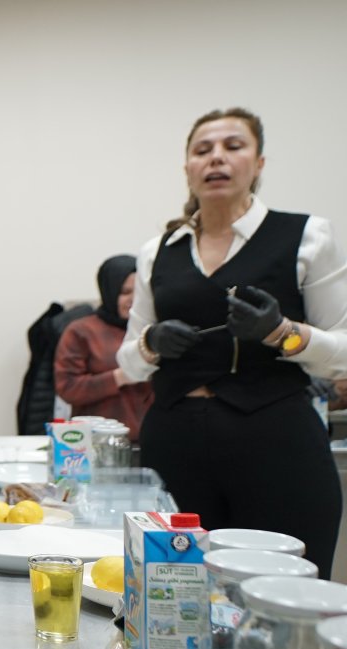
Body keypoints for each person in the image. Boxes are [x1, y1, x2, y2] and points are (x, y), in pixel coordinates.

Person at [116, 107, 347, 578]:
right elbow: (129, 363)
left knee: (278, 597)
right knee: (173, 594)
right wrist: (151, 343)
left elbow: (342, 352)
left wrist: (283, 333)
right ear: (188, 168)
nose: (216, 159)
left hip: (277, 444)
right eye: (203, 150)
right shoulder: (156, 251)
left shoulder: (306, 236)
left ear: (258, 163)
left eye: (233, 147)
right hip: (175, 444)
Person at [54, 255, 154, 441]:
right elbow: (68, 388)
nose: (133, 300)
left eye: (139, 292)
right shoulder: (82, 331)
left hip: (153, 439)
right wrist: (121, 377)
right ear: (109, 291)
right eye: (125, 292)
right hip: (99, 443)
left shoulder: (153, 332)